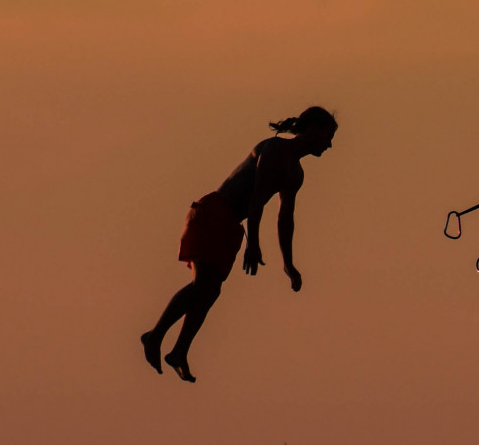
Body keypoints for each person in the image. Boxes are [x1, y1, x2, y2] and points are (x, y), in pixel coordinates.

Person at [140, 108, 338, 383]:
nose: (329, 144)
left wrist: (289, 264)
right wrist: (253, 245)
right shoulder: (274, 150)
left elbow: (285, 219)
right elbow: (256, 199)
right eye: (328, 136)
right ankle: (155, 336)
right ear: (314, 129)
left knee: (210, 292)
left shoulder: (296, 173)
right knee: (203, 286)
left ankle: (179, 351)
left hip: (231, 225)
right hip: (214, 213)